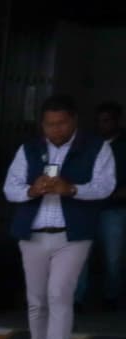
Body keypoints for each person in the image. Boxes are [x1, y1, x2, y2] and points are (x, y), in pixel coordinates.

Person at [4, 93, 116, 339]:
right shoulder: (29, 149)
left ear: (73, 121)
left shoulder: (96, 147)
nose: (55, 130)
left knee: (59, 295)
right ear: (42, 124)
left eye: (61, 123)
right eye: (50, 124)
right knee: (37, 300)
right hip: (33, 234)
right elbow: (9, 188)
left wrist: (72, 189)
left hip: (72, 235)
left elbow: (105, 186)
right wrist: (31, 190)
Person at [74, 102, 126, 312]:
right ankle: (78, 299)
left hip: (115, 208)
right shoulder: (89, 144)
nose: (102, 125)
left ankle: (111, 297)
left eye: (107, 121)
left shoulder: (123, 145)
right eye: (99, 121)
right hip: (87, 208)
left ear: (116, 121)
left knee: (114, 258)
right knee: (80, 256)